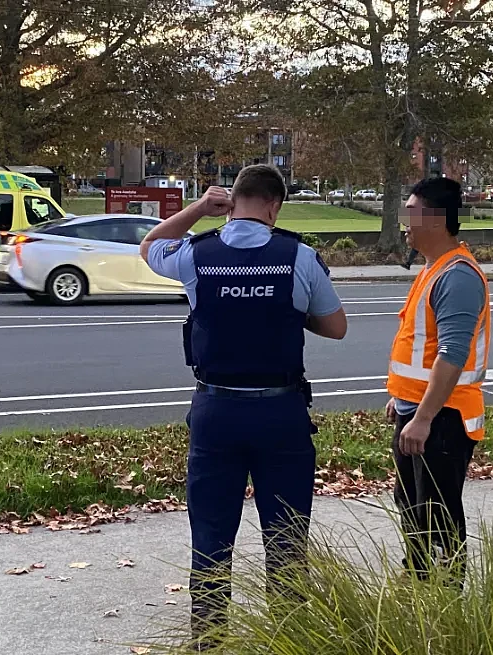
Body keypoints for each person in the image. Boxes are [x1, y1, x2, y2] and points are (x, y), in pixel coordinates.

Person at [140, 164, 347, 649]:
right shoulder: (298, 256)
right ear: (275, 206)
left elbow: (149, 246)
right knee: (287, 542)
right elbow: (336, 327)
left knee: (211, 541)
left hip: (216, 414)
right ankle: (290, 640)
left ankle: (210, 644)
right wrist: (292, 315)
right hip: (281, 416)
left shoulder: (196, 254)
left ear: (232, 201)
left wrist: (195, 209)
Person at [384, 177, 491, 586]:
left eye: (411, 214)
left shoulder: (457, 276)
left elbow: (452, 353)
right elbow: (421, 349)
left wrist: (424, 417)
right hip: (421, 411)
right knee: (413, 506)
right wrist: (403, 398)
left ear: (436, 219)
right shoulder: (433, 269)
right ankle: (418, 584)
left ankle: (445, 599)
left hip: (444, 418)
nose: (405, 224)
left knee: (438, 513)